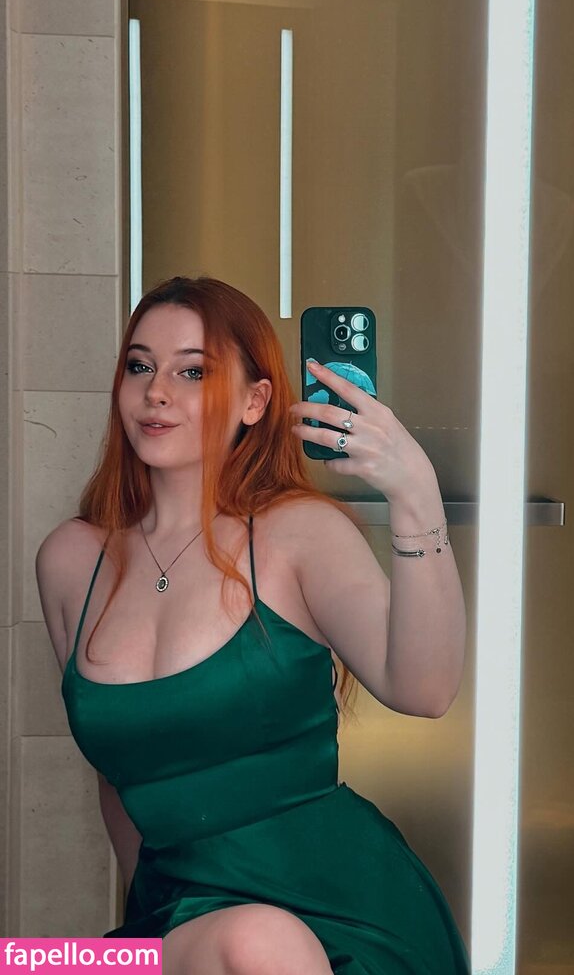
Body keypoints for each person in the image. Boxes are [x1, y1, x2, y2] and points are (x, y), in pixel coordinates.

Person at [35, 276, 471, 975]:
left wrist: (415, 494)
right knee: (39, 963)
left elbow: (424, 690)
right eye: (140, 366)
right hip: (178, 918)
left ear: (254, 401)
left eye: (193, 372)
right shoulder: (70, 560)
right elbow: (114, 776)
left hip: (346, 913)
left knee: (257, 941)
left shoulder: (299, 534)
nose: (156, 392)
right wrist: (150, 931)